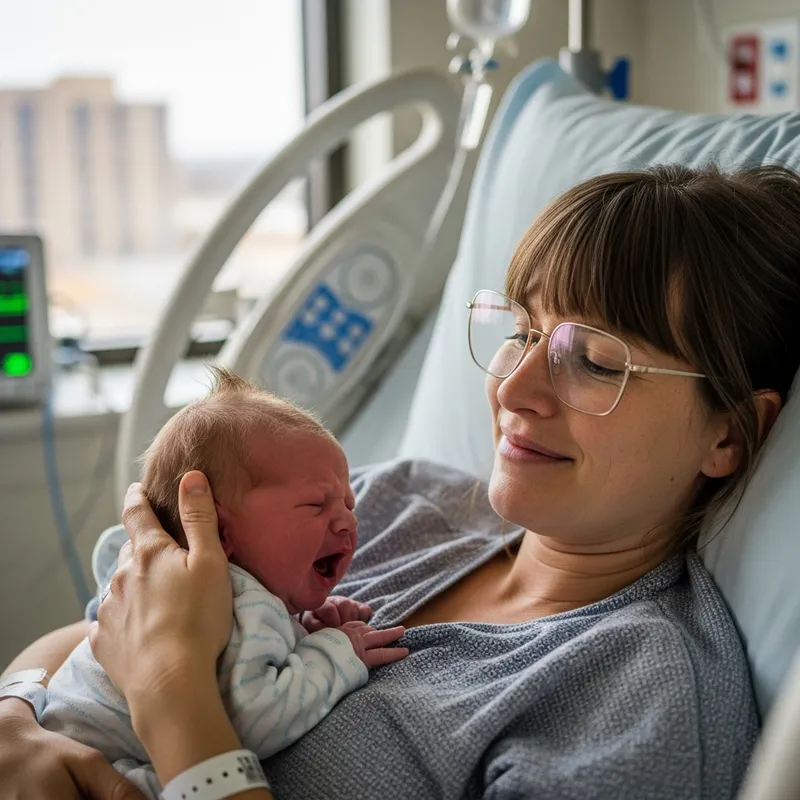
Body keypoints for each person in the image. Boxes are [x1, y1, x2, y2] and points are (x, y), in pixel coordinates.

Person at [3, 163, 800, 800]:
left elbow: (160, 650)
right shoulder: (397, 501)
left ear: (727, 433)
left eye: (593, 360)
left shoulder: (638, 696)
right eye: (522, 331)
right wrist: (17, 711)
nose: (513, 387)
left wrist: (176, 701)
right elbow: (120, 613)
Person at [38, 366, 408, 798]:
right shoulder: (245, 601)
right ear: (220, 531)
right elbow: (256, 718)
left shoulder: (205, 589)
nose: (347, 520)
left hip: (55, 731)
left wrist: (300, 633)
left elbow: (226, 675)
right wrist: (336, 652)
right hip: (93, 766)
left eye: (348, 502)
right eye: (315, 504)